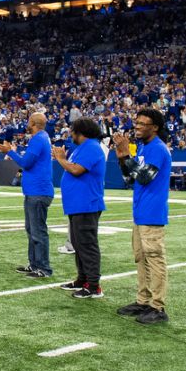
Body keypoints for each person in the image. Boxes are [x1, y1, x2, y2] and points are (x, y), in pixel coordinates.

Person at [113, 109, 173, 324]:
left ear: (155, 127)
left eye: (142, 123)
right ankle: (143, 300)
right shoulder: (144, 148)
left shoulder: (157, 148)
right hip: (141, 212)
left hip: (152, 213)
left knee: (155, 259)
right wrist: (122, 159)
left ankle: (158, 306)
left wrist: (127, 156)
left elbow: (146, 177)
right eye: (136, 123)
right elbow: (130, 179)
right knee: (141, 258)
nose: (136, 126)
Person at [54, 118, 107, 299]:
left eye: (72, 131)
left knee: (87, 244)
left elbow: (76, 170)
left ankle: (93, 286)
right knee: (78, 244)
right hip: (78, 204)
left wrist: (60, 159)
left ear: (80, 132)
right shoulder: (83, 148)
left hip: (86, 203)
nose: (70, 134)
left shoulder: (91, 147)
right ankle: (82, 279)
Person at [0, 112, 55, 277]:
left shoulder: (38, 139)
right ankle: (35, 264)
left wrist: (10, 151)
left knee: (37, 231)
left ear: (34, 123)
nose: (26, 124)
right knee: (32, 230)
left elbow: (26, 163)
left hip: (38, 191)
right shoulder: (41, 138)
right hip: (35, 191)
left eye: (29, 121)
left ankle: (43, 268)